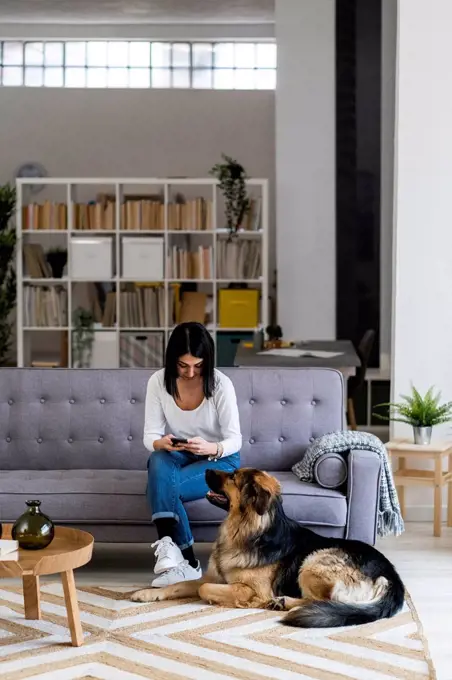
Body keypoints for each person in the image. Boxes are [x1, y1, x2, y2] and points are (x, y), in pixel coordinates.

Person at [143, 321, 242, 587]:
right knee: (157, 458)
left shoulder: (221, 384)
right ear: (171, 359)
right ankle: (177, 552)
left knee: (161, 487)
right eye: (183, 365)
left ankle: (186, 562)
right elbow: (149, 436)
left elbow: (235, 440)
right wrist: (161, 443)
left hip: (220, 458)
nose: (190, 372)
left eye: (198, 366)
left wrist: (211, 447)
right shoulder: (158, 382)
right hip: (182, 454)